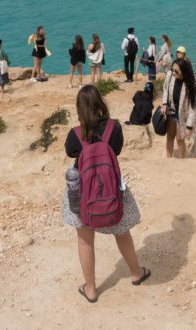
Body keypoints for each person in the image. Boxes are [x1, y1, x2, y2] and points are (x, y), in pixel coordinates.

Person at [63, 85, 150, 302]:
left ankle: (91, 289)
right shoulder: (114, 129)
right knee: (122, 232)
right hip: (112, 191)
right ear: (100, 103)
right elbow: (117, 150)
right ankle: (136, 273)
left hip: (82, 193)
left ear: (79, 109)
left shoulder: (75, 135)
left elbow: (70, 152)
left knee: (85, 241)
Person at [161, 57, 196, 158]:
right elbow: (165, 89)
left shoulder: (191, 84)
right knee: (169, 137)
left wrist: (189, 127)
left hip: (182, 115)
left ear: (183, 71)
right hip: (171, 112)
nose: (174, 72)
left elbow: (193, 107)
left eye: (176, 71)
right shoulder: (170, 76)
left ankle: (182, 161)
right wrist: (164, 103)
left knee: (180, 139)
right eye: (173, 69)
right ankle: (168, 158)